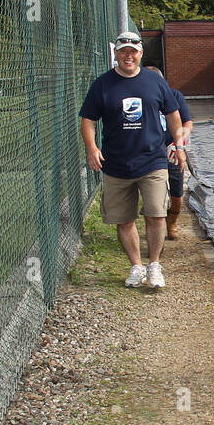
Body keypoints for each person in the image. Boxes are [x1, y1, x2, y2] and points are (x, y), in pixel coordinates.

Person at [80, 31, 186, 289]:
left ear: (141, 53)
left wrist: (179, 145)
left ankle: (154, 265)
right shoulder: (102, 84)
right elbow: (88, 120)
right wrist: (92, 148)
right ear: (116, 54)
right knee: (124, 219)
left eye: (133, 51)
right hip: (116, 164)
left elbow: (173, 115)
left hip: (153, 162)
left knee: (156, 214)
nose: (129, 55)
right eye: (123, 51)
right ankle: (137, 267)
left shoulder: (155, 82)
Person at [143, 67, 193, 240]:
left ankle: (172, 222)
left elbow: (187, 123)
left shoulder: (174, 96)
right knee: (152, 194)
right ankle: (154, 226)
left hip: (171, 149)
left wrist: (179, 143)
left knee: (176, 191)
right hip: (148, 153)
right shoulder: (140, 97)